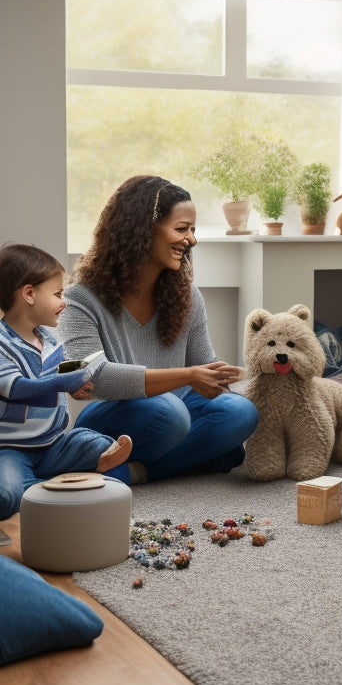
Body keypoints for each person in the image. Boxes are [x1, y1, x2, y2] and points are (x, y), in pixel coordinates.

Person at [58, 175, 259, 485]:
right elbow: (92, 377)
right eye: (181, 229)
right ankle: (199, 456)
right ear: (141, 229)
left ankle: (133, 472)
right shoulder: (79, 299)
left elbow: (205, 376)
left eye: (193, 230)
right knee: (173, 415)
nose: (191, 240)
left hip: (181, 410)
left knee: (241, 411)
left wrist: (228, 379)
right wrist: (190, 376)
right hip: (112, 418)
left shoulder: (188, 297)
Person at [0, 243, 134, 520]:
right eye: (58, 294)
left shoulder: (49, 342)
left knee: (88, 441)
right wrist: (63, 382)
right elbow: (16, 388)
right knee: (7, 494)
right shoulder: (2, 344)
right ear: (29, 294)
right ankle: (37, 491)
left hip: (52, 443)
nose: (64, 302)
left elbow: (55, 382)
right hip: (11, 449)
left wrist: (74, 385)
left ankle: (95, 460)